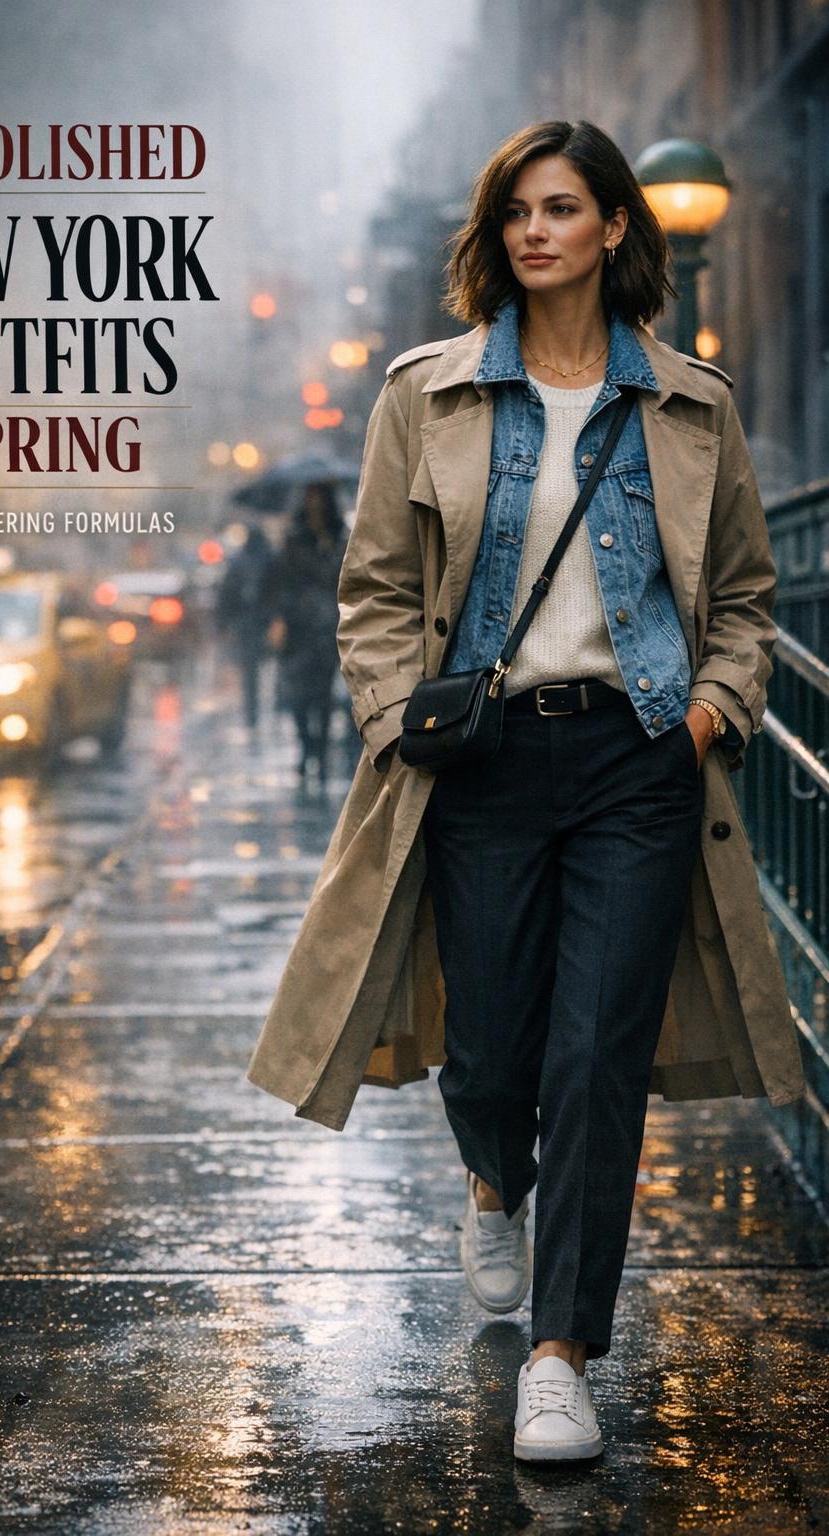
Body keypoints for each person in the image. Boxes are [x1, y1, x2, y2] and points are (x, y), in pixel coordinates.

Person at [245, 119, 805, 1462]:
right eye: (515, 213)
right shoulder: (424, 395)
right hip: (484, 763)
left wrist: (715, 710)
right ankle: (496, 1181)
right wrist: (399, 720)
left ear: (618, 227)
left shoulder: (692, 405)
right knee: (490, 1043)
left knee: (596, 1053)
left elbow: (742, 597)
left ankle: (561, 1356)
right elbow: (374, 591)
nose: (535, 231)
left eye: (562, 208)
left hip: (640, 760)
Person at [265, 482, 347, 786]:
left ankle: (321, 757)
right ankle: (306, 747)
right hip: (299, 626)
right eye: (310, 497)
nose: (314, 503)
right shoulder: (293, 538)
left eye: (319, 498)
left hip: (329, 626)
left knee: (324, 697)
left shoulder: (339, 537)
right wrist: (280, 618)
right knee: (298, 696)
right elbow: (281, 581)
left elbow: (345, 576)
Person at [216, 522, 274, 730]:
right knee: (262, 669)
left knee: (251, 671)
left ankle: (253, 713)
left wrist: (223, 623)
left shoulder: (239, 561)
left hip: (250, 624)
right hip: (261, 622)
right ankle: (261, 710)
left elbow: (226, 595)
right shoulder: (270, 557)